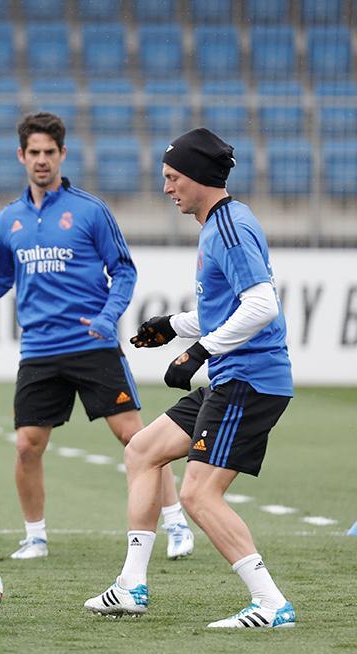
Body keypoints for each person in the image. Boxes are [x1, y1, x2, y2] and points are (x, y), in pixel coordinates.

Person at [0, 112, 193, 561]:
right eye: (34, 153)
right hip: (40, 350)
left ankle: (176, 523)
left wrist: (108, 317)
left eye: (50, 152)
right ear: (21, 156)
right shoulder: (10, 219)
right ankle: (35, 536)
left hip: (92, 344)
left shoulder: (90, 210)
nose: (42, 160)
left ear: (63, 154)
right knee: (28, 446)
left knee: (136, 439)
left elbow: (123, 270)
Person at [85, 128, 296, 628]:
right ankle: (132, 586)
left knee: (199, 495)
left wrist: (198, 351)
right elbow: (229, 308)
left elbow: (262, 305)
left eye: (173, 177)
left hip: (251, 380)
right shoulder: (219, 225)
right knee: (142, 450)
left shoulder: (229, 227)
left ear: (200, 177)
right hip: (233, 376)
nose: (167, 188)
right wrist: (174, 327)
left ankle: (271, 604)